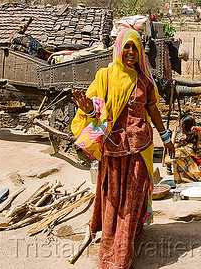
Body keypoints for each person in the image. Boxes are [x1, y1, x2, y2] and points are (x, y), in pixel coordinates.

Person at [71, 28, 175, 269]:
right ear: (118, 49)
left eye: (135, 48)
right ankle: (109, 253)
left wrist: (166, 137)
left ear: (140, 52)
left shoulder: (144, 81)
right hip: (113, 149)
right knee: (113, 200)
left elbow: (153, 111)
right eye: (126, 47)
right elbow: (95, 111)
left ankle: (122, 255)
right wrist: (88, 109)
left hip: (140, 147)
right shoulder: (105, 77)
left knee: (132, 199)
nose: (130, 52)